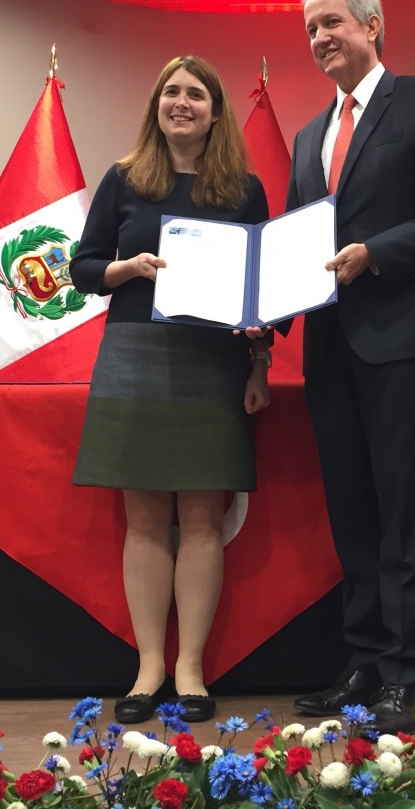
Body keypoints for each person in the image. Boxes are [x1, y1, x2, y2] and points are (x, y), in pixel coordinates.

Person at [285, 0, 415, 733]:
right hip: (330, 345)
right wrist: (261, 316)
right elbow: (298, 244)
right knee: (354, 515)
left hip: (402, 337)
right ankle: (366, 662)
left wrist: (379, 253)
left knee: (405, 513)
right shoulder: (310, 136)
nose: (319, 38)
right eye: (310, 29)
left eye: (331, 21)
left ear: (372, 25)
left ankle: (408, 672)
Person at [70, 56, 272, 725]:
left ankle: (190, 669)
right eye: (170, 93)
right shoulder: (124, 180)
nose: (181, 103)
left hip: (214, 362)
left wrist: (258, 363)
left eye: (195, 94)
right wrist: (126, 268)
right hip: (135, 352)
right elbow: (82, 268)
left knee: (205, 520)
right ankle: (148, 666)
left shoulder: (244, 190)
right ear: (156, 105)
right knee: (147, 519)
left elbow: (262, 290)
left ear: (216, 112)